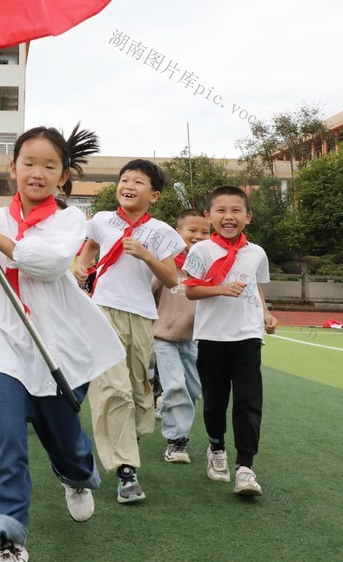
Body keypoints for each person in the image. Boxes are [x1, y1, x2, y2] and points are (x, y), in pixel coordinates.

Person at [0, 125, 123, 562]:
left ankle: (76, 474)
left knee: (63, 435)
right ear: (12, 168)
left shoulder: (69, 219)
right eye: (29, 163)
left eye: (49, 165)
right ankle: (7, 532)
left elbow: (52, 262)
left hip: (57, 343)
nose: (37, 172)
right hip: (2, 337)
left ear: (62, 177)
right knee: (3, 433)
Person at [72, 159, 182, 504]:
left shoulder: (163, 232)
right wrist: (79, 265)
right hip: (102, 311)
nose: (128, 185)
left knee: (136, 390)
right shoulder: (103, 220)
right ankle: (125, 471)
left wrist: (148, 256)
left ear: (155, 194)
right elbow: (87, 249)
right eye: (124, 180)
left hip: (141, 317)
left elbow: (171, 279)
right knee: (112, 387)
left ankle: (123, 441)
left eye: (137, 181)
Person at [184, 186, 278, 497]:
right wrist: (222, 289)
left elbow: (255, 287)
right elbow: (192, 290)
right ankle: (216, 448)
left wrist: (266, 314)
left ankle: (246, 468)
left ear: (248, 217)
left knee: (249, 400)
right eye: (221, 211)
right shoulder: (201, 251)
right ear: (209, 216)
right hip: (212, 336)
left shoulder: (257, 253)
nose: (229, 216)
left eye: (236, 210)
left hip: (248, 335)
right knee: (215, 401)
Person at [152, 208, 209, 464]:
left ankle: (170, 417)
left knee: (193, 390)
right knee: (175, 385)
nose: (198, 236)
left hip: (194, 339)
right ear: (178, 233)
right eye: (192, 231)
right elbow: (147, 295)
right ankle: (176, 441)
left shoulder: (208, 267)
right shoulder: (165, 265)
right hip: (163, 338)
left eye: (204, 231)